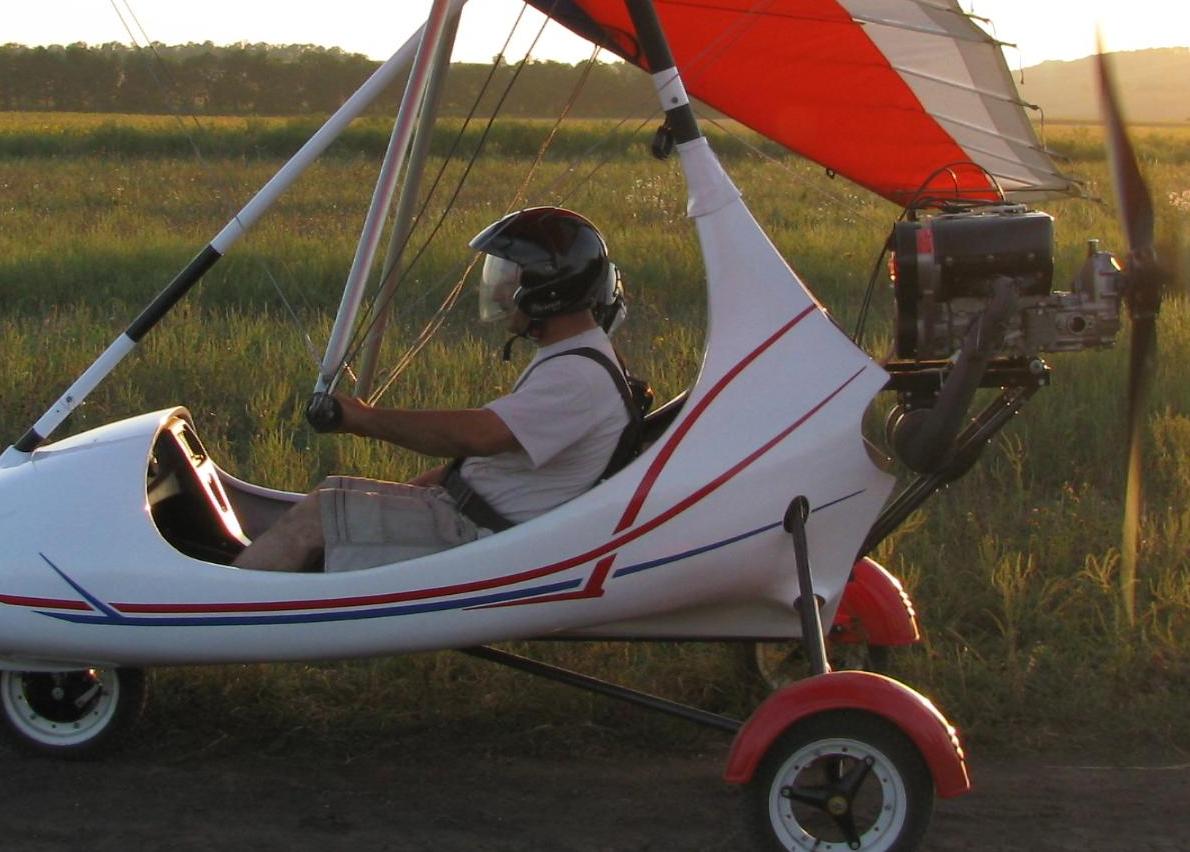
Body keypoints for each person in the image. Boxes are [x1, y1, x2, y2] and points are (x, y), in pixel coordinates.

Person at [233, 206, 635, 573]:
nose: (499, 291)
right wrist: (406, 493)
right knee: (334, 492)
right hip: (463, 514)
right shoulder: (574, 356)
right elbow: (488, 462)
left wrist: (362, 418)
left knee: (318, 515)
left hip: (479, 539)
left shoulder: (579, 376)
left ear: (546, 289)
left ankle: (229, 607)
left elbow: (481, 435)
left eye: (510, 278)